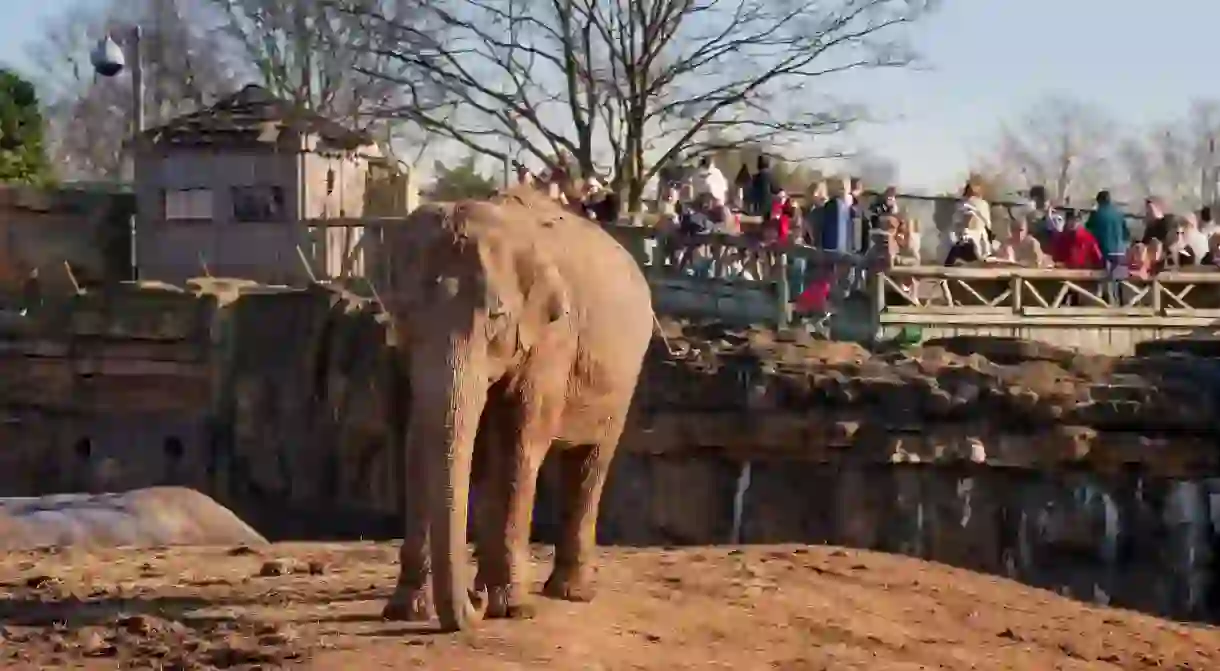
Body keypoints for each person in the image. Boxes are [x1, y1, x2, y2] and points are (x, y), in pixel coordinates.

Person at [1085, 190, 1130, 269]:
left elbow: (1087, 232)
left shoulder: (1096, 214)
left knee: (1103, 277)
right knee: (1118, 277)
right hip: (1120, 252)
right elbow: (1126, 234)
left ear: (1099, 202)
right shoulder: (1119, 213)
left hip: (1104, 253)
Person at [819, 177, 855, 253]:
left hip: (849, 252)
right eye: (839, 184)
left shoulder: (854, 207)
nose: (842, 187)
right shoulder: (829, 206)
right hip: (832, 252)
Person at [1026, 185, 1064, 249]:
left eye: (1039, 200)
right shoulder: (1031, 216)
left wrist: (1048, 216)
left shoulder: (1056, 217)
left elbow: (1057, 232)